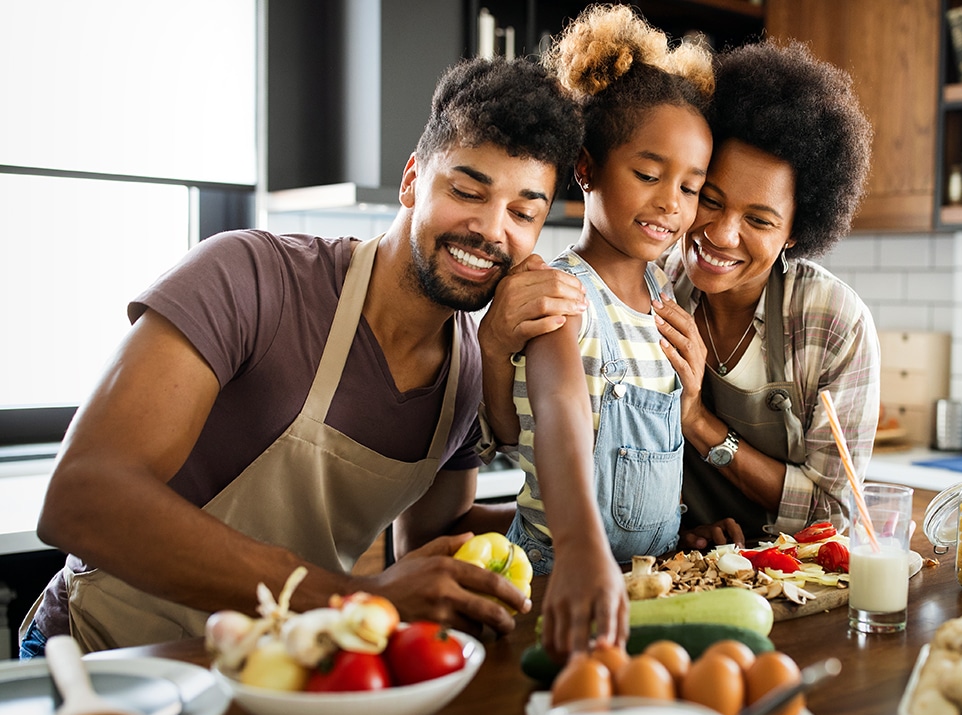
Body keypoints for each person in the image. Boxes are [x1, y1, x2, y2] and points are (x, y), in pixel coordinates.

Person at [20, 56, 584, 656]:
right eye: (468, 190)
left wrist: (594, 524)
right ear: (413, 180)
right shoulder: (252, 277)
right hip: (107, 656)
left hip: (277, 671)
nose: (491, 230)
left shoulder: (467, 372)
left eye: (523, 213)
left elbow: (433, 540)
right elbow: (82, 498)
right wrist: (350, 599)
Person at [481, 4, 714, 658]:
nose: (671, 202)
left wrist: (679, 529)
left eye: (691, 187)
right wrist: (585, 550)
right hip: (563, 579)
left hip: (647, 584)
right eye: (648, 174)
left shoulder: (664, 295)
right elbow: (559, 410)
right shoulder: (559, 291)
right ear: (586, 168)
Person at [651, 39, 879, 549]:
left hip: (794, 578)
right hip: (677, 565)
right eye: (710, 200)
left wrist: (699, 422)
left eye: (758, 220)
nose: (722, 234)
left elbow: (835, 513)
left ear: (796, 233)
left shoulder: (834, 322)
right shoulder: (652, 285)